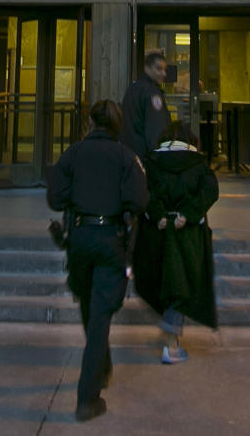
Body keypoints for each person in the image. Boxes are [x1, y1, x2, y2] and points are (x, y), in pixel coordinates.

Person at [47, 99, 149, 423]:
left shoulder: (73, 154)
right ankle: (88, 398)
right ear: (117, 125)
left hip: (79, 239)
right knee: (100, 318)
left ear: (91, 123)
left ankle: (101, 367)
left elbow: (55, 197)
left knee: (91, 312)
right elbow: (138, 200)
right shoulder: (125, 157)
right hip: (110, 241)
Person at [132, 121, 219, 364]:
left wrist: (159, 214)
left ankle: (170, 332)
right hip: (188, 233)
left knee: (166, 278)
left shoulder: (152, 162)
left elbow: (145, 192)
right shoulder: (199, 163)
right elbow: (210, 191)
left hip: (158, 232)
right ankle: (171, 344)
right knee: (181, 282)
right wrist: (189, 214)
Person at [120, 51, 171, 162]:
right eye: (158, 69)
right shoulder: (151, 93)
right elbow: (155, 129)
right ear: (147, 68)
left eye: (164, 69)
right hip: (146, 158)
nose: (163, 73)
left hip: (130, 155)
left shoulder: (132, 89)